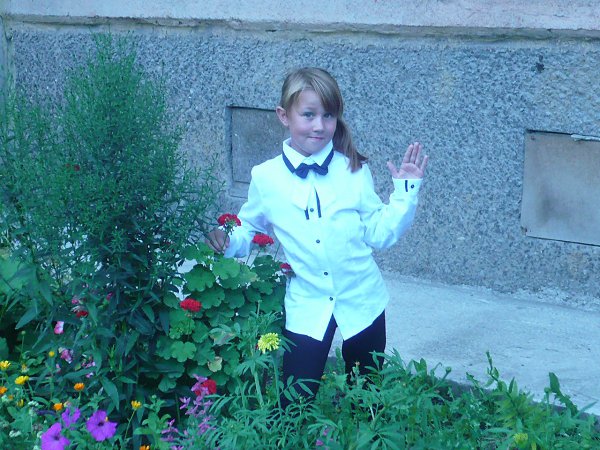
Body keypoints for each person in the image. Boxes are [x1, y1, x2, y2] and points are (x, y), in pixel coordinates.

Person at [206, 67, 428, 404]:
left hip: (363, 300)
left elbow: (379, 234)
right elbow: (249, 228)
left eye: (328, 115)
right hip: (308, 304)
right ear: (284, 115)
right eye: (308, 114)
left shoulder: (354, 170)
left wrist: (405, 192)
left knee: (365, 398)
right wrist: (227, 240)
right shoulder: (266, 178)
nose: (319, 125)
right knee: (294, 401)